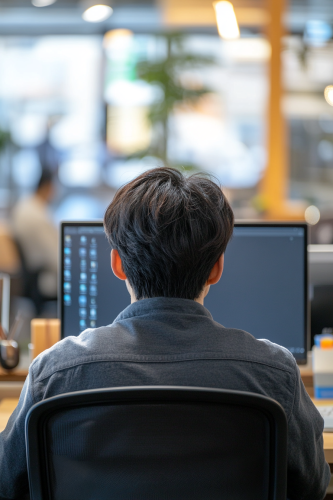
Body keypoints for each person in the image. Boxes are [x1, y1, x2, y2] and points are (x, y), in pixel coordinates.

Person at [0, 167, 330, 500]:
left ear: (117, 265)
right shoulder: (276, 374)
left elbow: (6, 482)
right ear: (217, 268)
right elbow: (313, 486)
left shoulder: (53, 375)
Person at [11, 169, 58, 303]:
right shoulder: (37, 215)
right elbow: (55, 258)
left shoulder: (25, 206)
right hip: (45, 280)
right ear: (48, 186)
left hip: (34, 276)